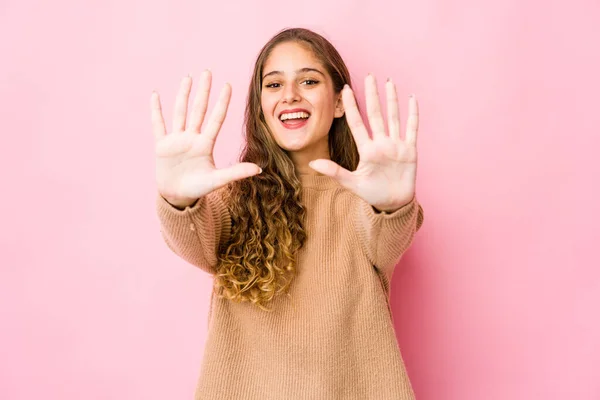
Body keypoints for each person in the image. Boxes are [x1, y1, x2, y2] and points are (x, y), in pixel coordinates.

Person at [151, 27, 424, 400]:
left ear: (340, 102)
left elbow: (386, 234)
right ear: (261, 106)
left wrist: (391, 205)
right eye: (274, 85)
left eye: (309, 80)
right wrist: (179, 201)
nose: (290, 95)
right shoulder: (233, 200)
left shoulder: (363, 204)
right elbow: (195, 237)